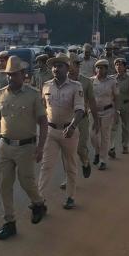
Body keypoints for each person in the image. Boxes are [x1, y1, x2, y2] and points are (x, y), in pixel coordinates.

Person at [0, 56, 47, 240]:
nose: (11, 78)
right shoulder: (1, 94)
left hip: (26, 146)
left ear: (23, 75)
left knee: (26, 181)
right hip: (4, 146)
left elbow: (43, 122)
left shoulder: (33, 94)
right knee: (4, 185)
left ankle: (38, 203)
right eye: (8, 75)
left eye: (15, 74)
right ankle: (9, 222)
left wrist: (41, 147)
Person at [39, 53, 85, 210]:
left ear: (67, 68)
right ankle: (40, 200)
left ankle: (70, 196)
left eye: (59, 66)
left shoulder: (75, 86)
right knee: (46, 166)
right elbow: (43, 109)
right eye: (54, 66)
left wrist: (72, 126)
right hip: (51, 131)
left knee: (70, 164)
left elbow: (80, 110)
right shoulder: (46, 86)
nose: (55, 69)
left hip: (69, 131)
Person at [64, 53, 99, 181]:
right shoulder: (61, 81)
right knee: (67, 151)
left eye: (78, 64)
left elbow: (92, 101)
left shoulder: (86, 82)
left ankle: (85, 161)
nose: (76, 67)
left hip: (82, 119)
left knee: (80, 148)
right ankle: (68, 178)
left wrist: (96, 120)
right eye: (74, 64)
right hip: (66, 120)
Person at [90, 59, 119, 171]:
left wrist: (116, 112)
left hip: (107, 111)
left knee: (105, 136)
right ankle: (97, 152)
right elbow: (88, 98)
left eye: (102, 68)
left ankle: (103, 160)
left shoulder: (112, 81)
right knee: (92, 135)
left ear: (106, 69)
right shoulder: (91, 81)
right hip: (94, 112)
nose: (99, 70)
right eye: (98, 67)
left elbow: (116, 97)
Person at [110, 58, 129, 155]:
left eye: (120, 65)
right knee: (113, 127)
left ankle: (125, 145)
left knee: (125, 127)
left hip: (126, 104)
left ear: (125, 67)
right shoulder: (112, 79)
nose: (118, 67)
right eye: (116, 65)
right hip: (114, 106)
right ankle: (111, 147)